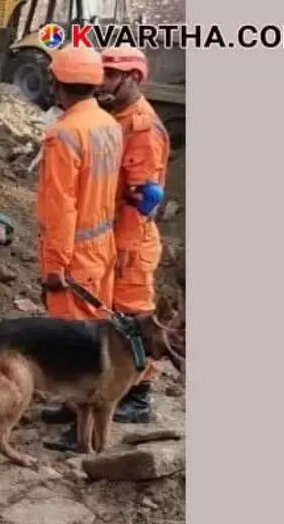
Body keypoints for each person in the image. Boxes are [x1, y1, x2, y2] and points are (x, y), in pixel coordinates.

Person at [34, 45, 124, 451]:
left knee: (76, 343)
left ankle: (80, 428)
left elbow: (61, 207)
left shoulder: (64, 134)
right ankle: (73, 408)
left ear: (58, 84)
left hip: (76, 253)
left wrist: (55, 266)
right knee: (96, 335)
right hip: (101, 244)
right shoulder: (108, 124)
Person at [99, 45, 170, 422]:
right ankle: (106, 387)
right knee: (112, 321)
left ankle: (138, 397)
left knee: (136, 320)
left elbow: (146, 195)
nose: (102, 81)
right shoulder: (115, 117)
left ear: (132, 78)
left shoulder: (141, 126)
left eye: (110, 75)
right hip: (113, 237)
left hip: (132, 241)